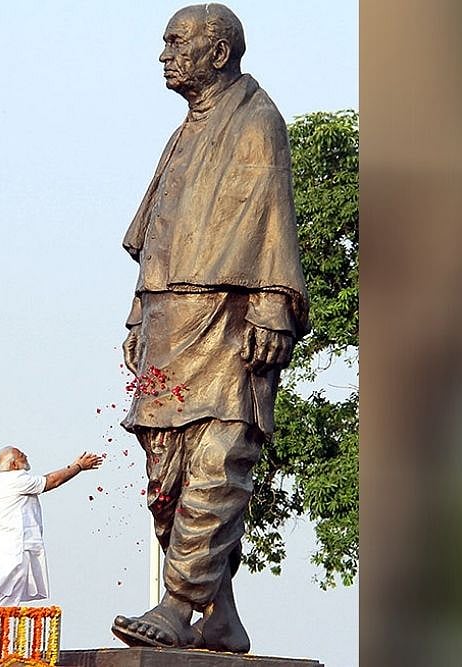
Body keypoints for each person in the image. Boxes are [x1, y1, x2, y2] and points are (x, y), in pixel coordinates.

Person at [111, 3, 309, 653]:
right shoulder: (182, 134)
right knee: (166, 471)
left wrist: (274, 304)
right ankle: (218, 613)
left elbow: (272, 216)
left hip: (229, 318)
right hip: (170, 318)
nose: (162, 55)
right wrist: (141, 311)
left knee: (220, 460)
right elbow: (158, 232)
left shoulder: (257, 123)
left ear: (217, 53)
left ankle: (177, 602)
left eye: (175, 43)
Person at [0, 447, 103, 607]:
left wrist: (73, 466)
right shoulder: (15, 480)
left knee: (9, 594)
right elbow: (52, 481)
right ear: (13, 464)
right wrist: (79, 467)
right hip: (14, 544)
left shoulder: (5, 480)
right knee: (7, 595)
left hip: (8, 544)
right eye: (21, 455)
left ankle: (1, 631)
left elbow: (46, 478)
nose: (26, 455)